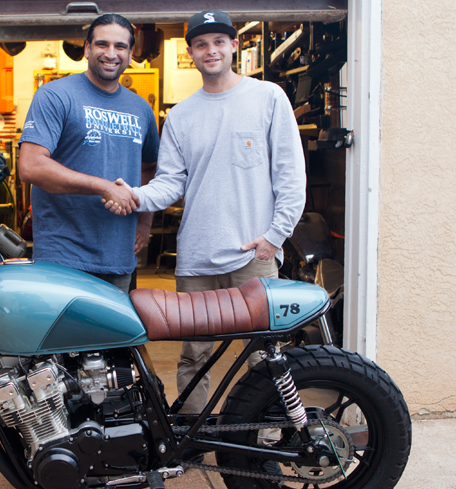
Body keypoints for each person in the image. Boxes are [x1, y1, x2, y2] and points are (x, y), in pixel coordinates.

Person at [106, 10, 306, 414]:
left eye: (219, 41)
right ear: (191, 53)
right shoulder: (180, 116)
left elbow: (291, 176)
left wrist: (275, 236)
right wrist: (135, 196)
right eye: (201, 44)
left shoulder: (268, 98)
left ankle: (264, 442)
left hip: (253, 254)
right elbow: (171, 183)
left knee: (264, 357)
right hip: (196, 259)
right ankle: (193, 438)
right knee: (194, 357)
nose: (210, 50)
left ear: (234, 45)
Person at [18, 13, 159, 292]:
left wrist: (144, 222)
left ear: (130, 54)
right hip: (63, 256)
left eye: (120, 47)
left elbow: (150, 168)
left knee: (116, 336)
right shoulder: (56, 95)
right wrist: (103, 187)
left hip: (119, 256)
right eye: (102, 44)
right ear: (87, 49)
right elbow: (31, 166)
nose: (111, 53)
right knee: (65, 336)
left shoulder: (141, 108)